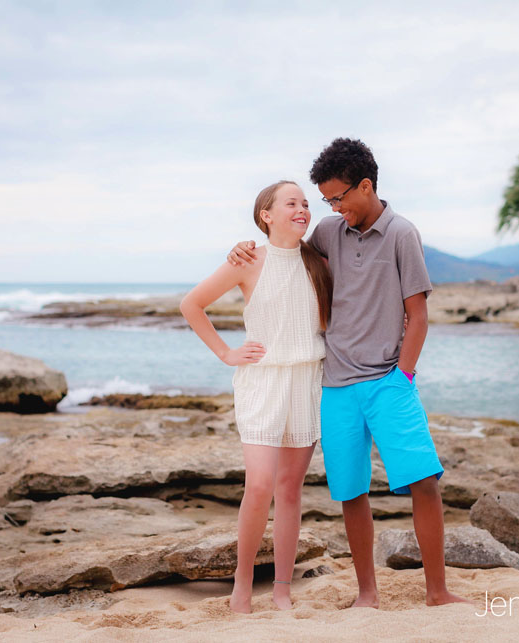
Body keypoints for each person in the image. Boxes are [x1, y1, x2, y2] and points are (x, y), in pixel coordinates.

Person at [228, 138, 468, 608]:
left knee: (423, 481)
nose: (334, 208)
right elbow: (283, 253)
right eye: (326, 201)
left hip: (389, 383)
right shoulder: (329, 234)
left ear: (366, 185)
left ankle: (437, 592)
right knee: (352, 491)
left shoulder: (402, 234)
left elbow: (417, 316)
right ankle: (366, 594)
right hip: (335, 386)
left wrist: (403, 375)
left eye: (340, 197)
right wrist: (243, 247)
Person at [180, 180, 332, 614]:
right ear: (266, 214)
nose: (302, 209)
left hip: (306, 381)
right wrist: (227, 352)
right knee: (260, 484)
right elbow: (192, 304)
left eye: (306, 203)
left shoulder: (319, 261)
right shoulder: (247, 260)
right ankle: (242, 586)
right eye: (292, 203)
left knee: (289, 489)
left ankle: (282, 590)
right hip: (261, 383)